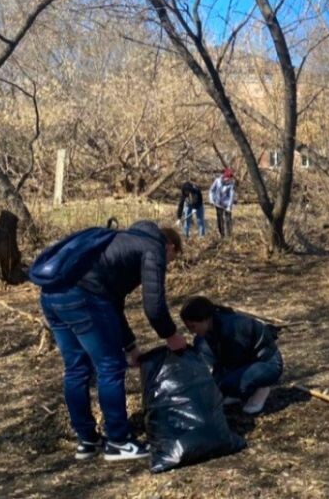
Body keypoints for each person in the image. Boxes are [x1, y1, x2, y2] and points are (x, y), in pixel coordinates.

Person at [39, 221, 188, 461]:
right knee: (110, 367)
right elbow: (154, 306)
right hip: (84, 299)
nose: (169, 263)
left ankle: (87, 440)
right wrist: (171, 335)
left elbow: (113, 305)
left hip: (52, 295)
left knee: (76, 369)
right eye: (172, 258)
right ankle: (118, 441)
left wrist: (130, 347)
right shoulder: (154, 248)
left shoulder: (119, 241)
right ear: (170, 245)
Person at [180, 296, 283, 415]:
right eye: (188, 328)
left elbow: (234, 361)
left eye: (193, 326)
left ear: (206, 319)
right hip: (243, 363)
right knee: (220, 383)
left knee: (226, 384)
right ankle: (236, 392)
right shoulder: (205, 335)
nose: (191, 332)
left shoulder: (231, 329)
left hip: (266, 363)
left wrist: (218, 387)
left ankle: (261, 389)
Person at [209, 168, 236, 237]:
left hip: (227, 204)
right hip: (218, 203)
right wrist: (211, 199)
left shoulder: (231, 184)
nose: (228, 180)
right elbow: (211, 190)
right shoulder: (217, 181)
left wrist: (229, 207)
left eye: (230, 179)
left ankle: (229, 234)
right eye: (227, 178)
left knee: (228, 219)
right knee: (220, 219)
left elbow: (231, 196)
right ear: (224, 176)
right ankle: (222, 234)